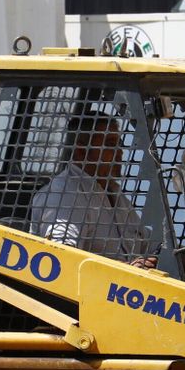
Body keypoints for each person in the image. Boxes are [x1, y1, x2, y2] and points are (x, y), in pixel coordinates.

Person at [28, 114, 157, 266]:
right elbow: (61, 256)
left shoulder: (114, 195)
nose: (119, 152)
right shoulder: (65, 195)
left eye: (119, 144)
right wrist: (126, 269)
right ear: (81, 151)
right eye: (110, 144)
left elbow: (146, 244)